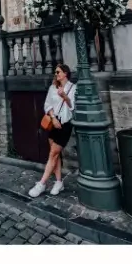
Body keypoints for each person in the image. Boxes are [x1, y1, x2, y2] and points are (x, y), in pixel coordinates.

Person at [28, 63, 77, 198]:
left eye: (58, 72)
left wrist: (65, 97)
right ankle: (59, 182)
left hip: (64, 125)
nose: (56, 74)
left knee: (53, 154)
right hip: (53, 123)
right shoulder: (52, 87)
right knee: (55, 155)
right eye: (55, 72)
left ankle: (42, 184)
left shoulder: (73, 88)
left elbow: (73, 107)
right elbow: (47, 105)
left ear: (65, 73)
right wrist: (53, 118)